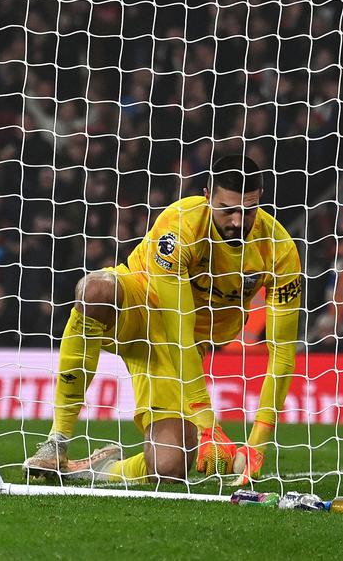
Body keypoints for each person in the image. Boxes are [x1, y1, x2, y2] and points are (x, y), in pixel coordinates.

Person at [24, 155, 302, 484]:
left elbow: (282, 352)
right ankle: (58, 440)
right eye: (227, 209)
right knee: (95, 290)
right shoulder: (179, 226)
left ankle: (95, 469)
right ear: (207, 195)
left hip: (182, 352)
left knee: (168, 470)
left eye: (249, 210)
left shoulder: (279, 251)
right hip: (140, 308)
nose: (238, 221)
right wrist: (207, 425)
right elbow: (177, 326)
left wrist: (258, 443)